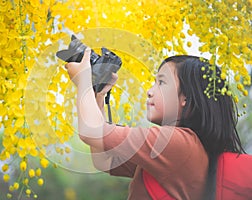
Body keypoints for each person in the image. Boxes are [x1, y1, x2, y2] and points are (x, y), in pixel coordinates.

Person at [64, 48, 245, 200]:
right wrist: (99, 96)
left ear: (186, 98)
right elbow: (104, 160)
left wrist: (84, 81)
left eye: (161, 82)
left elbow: (91, 132)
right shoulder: (185, 148)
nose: (150, 91)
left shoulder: (177, 143)